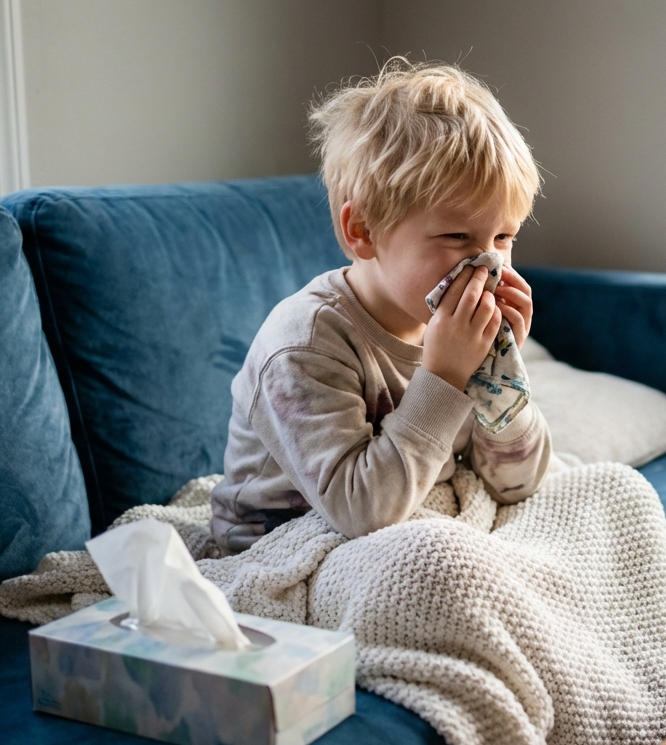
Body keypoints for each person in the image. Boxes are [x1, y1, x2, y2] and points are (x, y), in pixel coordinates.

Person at [210, 58, 552, 554]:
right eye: (457, 236)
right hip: (283, 542)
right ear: (363, 232)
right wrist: (442, 379)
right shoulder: (304, 344)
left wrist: (496, 380)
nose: (488, 263)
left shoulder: (452, 328)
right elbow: (363, 514)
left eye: (504, 236)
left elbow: (517, 484)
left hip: (407, 514)